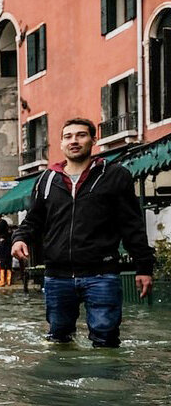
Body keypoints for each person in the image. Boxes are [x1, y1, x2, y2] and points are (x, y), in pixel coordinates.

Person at [13, 117, 154, 347]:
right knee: (59, 339)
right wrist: (20, 239)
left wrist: (144, 268)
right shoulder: (46, 179)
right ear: (61, 144)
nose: (74, 141)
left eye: (81, 135)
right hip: (57, 275)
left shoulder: (115, 175)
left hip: (101, 274)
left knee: (106, 340)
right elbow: (33, 220)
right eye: (68, 137)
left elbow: (132, 225)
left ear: (93, 140)